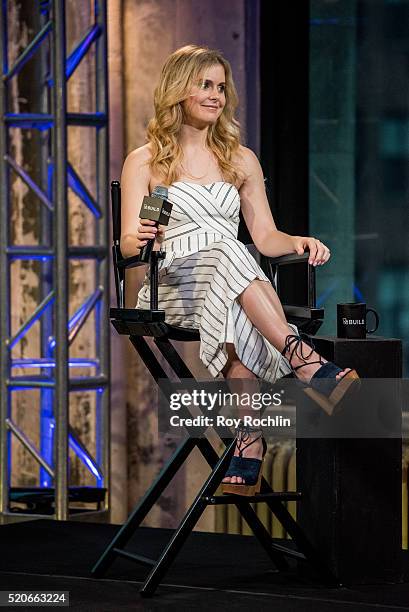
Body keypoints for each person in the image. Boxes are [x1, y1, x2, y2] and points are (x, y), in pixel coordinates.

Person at [120, 44, 360, 496]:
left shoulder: (241, 158)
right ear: (178, 90)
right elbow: (127, 243)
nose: (216, 95)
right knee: (231, 253)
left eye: (221, 87)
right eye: (205, 85)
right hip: (170, 284)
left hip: (229, 283)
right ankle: (301, 358)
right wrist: (142, 235)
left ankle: (248, 441)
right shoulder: (145, 159)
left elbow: (266, 238)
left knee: (232, 272)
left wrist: (299, 241)